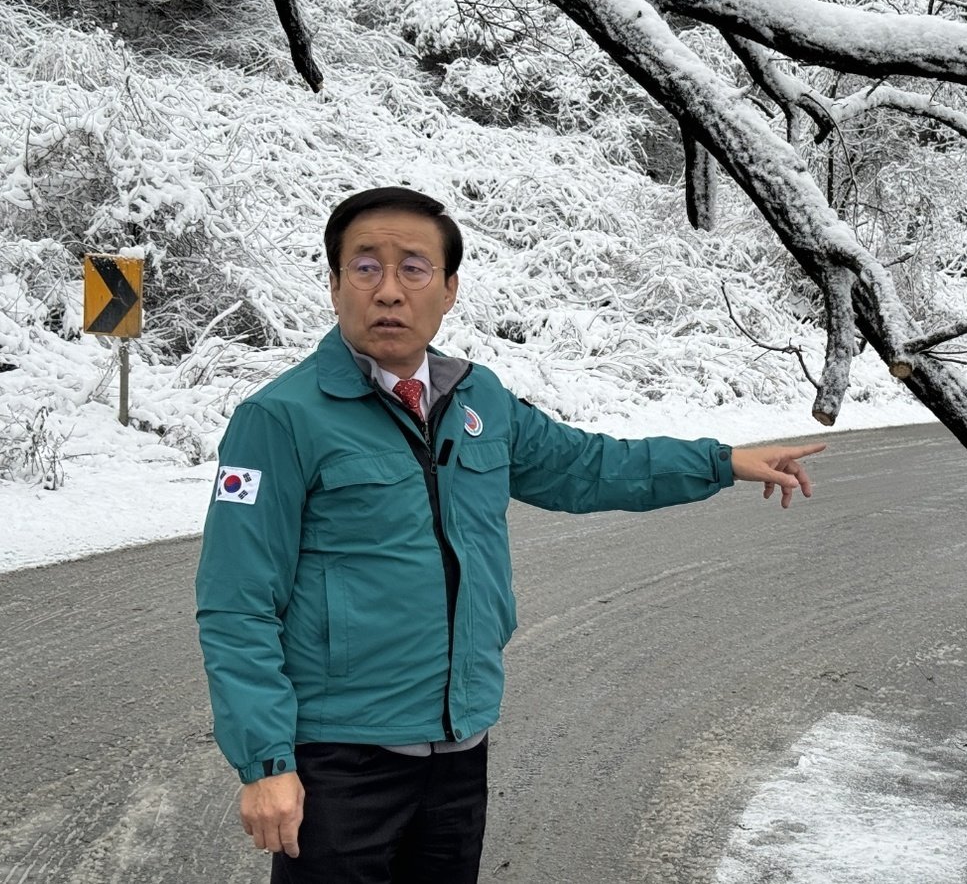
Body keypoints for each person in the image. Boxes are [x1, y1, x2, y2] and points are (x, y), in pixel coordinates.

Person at [195, 186, 825, 884]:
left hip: (461, 749)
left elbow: (590, 467)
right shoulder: (280, 419)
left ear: (449, 289)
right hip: (343, 760)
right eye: (365, 267)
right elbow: (238, 601)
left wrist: (719, 462)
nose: (389, 290)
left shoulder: (479, 399)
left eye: (414, 268)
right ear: (335, 283)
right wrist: (266, 763)